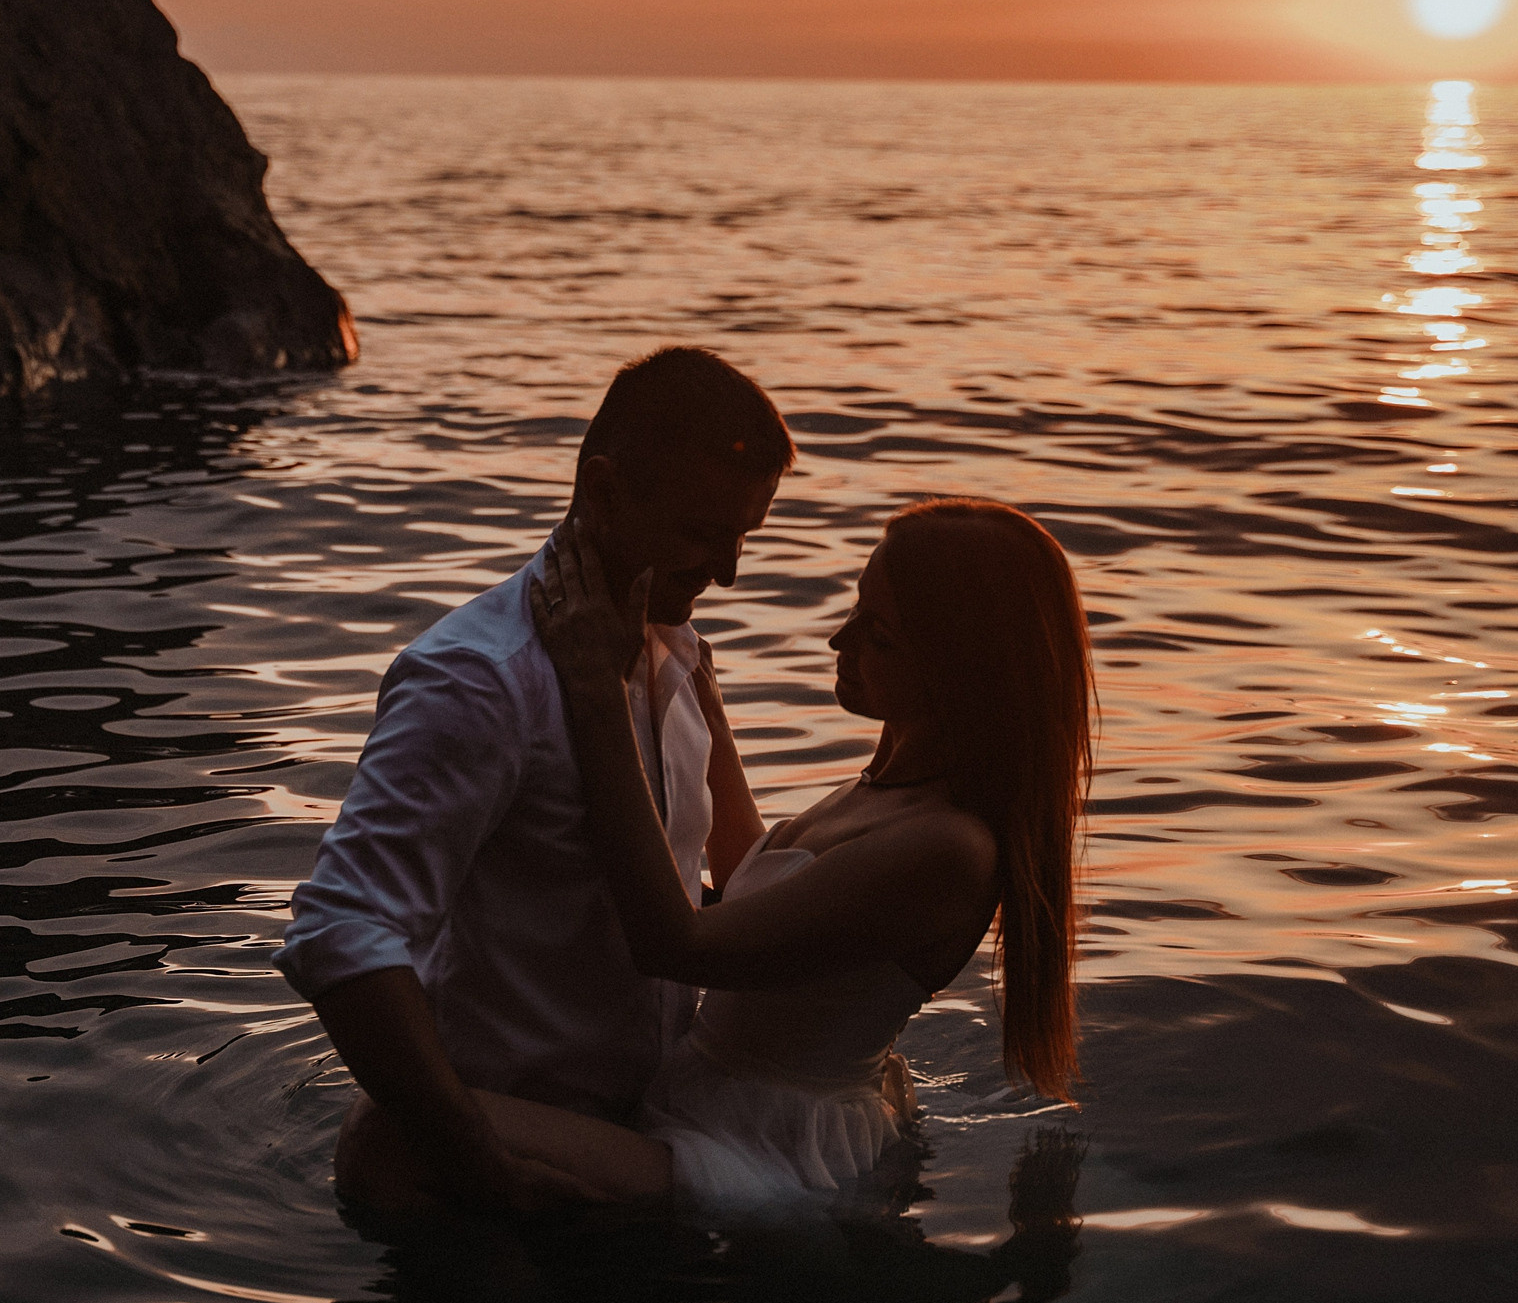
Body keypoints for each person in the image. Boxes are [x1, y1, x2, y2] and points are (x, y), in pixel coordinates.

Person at [277, 346, 795, 1213]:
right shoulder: (477, 680)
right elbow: (343, 930)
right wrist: (485, 1167)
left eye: (745, 537)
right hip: (502, 1170)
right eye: (702, 535)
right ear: (603, 492)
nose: (730, 571)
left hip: (643, 1140)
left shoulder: (678, 647)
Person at [482, 496, 1095, 1218]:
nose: (839, 639)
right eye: (857, 608)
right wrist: (689, 674)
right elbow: (756, 889)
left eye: (880, 635)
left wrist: (595, 693)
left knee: (391, 1128)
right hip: (714, 1106)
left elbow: (672, 942)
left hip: (759, 1157)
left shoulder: (947, 848)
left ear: (957, 669)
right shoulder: (887, 786)